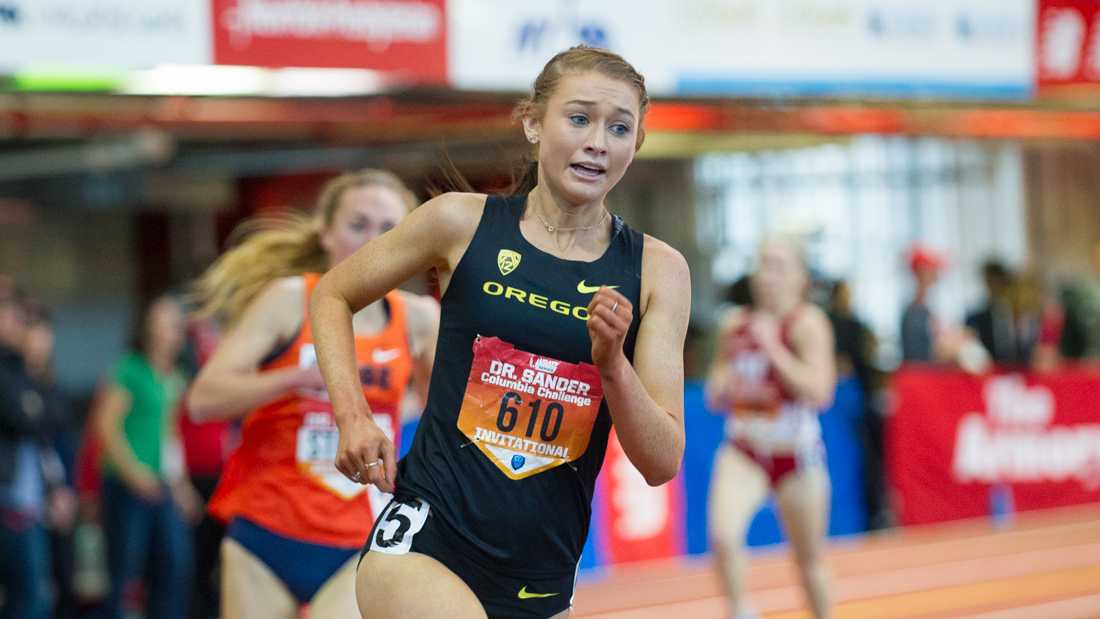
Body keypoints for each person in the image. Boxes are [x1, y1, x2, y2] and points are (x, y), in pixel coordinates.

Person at [309, 46, 691, 618]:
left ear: (635, 145)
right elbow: (332, 293)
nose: (597, 142)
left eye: (619, 128)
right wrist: (353, 415)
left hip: (542, 571)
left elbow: (661, 462)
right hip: (428, 537)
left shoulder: (657, 271)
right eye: (579, 118)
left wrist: (612, 363)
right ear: (534, 123)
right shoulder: (460, 223)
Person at [187, 169, 439, 619]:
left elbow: (447, 415)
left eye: (388, 229)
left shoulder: (419, 318)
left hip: (360, 536)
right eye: (357, 224)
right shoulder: (289, 300)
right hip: (267, 532)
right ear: (326, 232)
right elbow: (203, 400)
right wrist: (293, 379)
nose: (372, 240)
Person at [706, 239, 836, 619]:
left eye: (779, 266)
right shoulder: (734, 323)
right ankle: (742, 612)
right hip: (744, 449)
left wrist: (773, 350)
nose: (768, 276)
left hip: (796, 456)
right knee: (724, 537)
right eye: (763, 265)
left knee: (809, 561)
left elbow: (821, 391)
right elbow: (715, 392)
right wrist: (724, 382)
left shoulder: (808, 324)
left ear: (800, 277)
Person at [90, 294, 200, 619]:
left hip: (160, 484)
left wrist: (180, 486)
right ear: (150, 328)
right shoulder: (129, 370)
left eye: (177, 325)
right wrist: (134, 474)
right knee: (124, 570)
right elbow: (105, 426)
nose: (175, 331)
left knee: (174, 564)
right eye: (167, 324)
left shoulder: (174, 377)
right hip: (127, 485)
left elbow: (170, 437)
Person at [21, 303, 80, 619]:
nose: (41, 341)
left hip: (59, 497)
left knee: (63, 583)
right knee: (33, 592)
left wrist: (67, 491)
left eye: (46, 333)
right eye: (34, 331)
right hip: (27, 501)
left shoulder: (53, 389)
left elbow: (64, 448)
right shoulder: (13, 389)